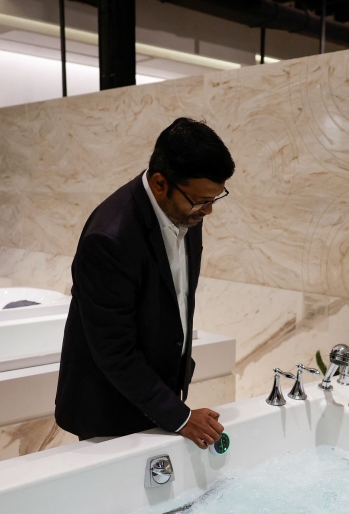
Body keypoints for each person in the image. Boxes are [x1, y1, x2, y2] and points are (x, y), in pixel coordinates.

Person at [55, 118, 235, 449]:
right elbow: (113, 350)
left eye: (215, 198)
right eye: (199, 200)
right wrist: (180, 417)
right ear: (159, 183)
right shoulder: (109, 238)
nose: (208, 210)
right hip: (109, 409)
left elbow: (176, 298)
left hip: (157, 396)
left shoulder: (186, 213)